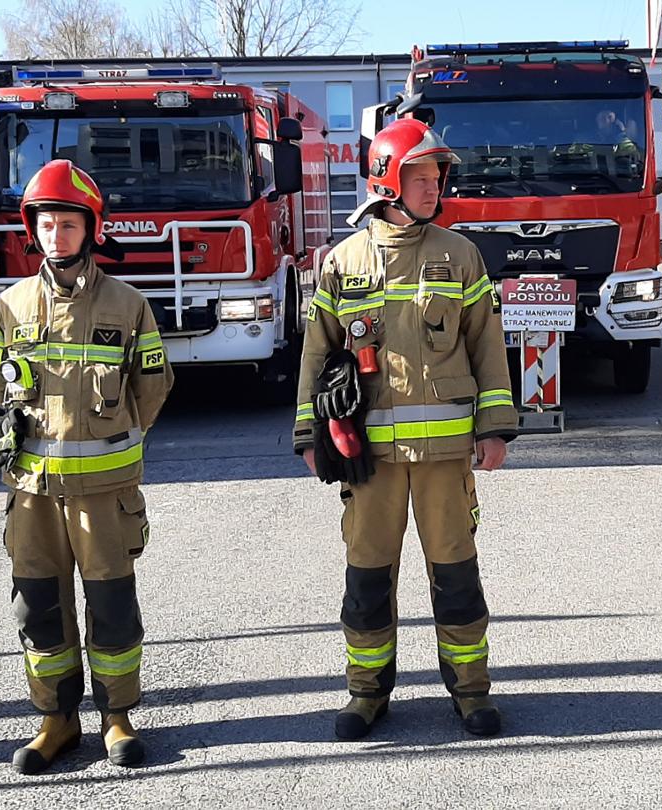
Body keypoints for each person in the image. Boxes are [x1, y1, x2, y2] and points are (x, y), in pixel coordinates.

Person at [293, 117, 518, 740]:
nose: (433, 187)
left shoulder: (460, 255)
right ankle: (366, 693)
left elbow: (487, 346)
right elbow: (316, 352)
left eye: (437, 176)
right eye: (420, 176)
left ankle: (471, 691)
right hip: (368, 460)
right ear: (387, 179)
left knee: (456, 573)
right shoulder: (343, 262)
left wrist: (494, 427)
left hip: (446, 455)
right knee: (367, 577)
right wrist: (310, 433)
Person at [0, 159, 174, 773]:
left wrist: (113, 440)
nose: (57, 235)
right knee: (37, 605)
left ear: (91, 229)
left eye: (68, 224)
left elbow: (152, 386)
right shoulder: (10, 305)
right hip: (32, 491)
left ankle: (118, 716)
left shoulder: (128, 304)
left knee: (111, 604)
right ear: (32, 230)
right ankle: (56, 719)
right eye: (47, 224)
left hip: (104, 492)